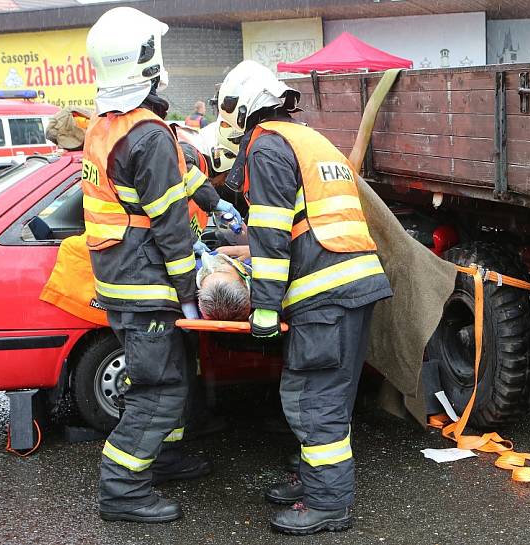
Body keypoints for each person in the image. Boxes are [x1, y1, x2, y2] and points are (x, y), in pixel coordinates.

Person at [218, 60, 393, 535]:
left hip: (327, 294)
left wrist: (265, 308)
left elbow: (272, 235)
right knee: (316, 394)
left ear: (243, 109)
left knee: (315, 401)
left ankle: (327, 504)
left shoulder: (269, 147)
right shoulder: (306, 138)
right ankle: (313, 480)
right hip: (347, 286)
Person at [83, 7, 218, 524]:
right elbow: (170, 224)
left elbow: (169, 189)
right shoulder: (147, 134)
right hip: (146, 282)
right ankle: (122, 490)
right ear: (145, 61)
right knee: (159, 389)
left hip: (121, 277)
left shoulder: (107, 126)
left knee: (172, 373)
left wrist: (216, 196)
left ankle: (165, 457)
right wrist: (190, 288)